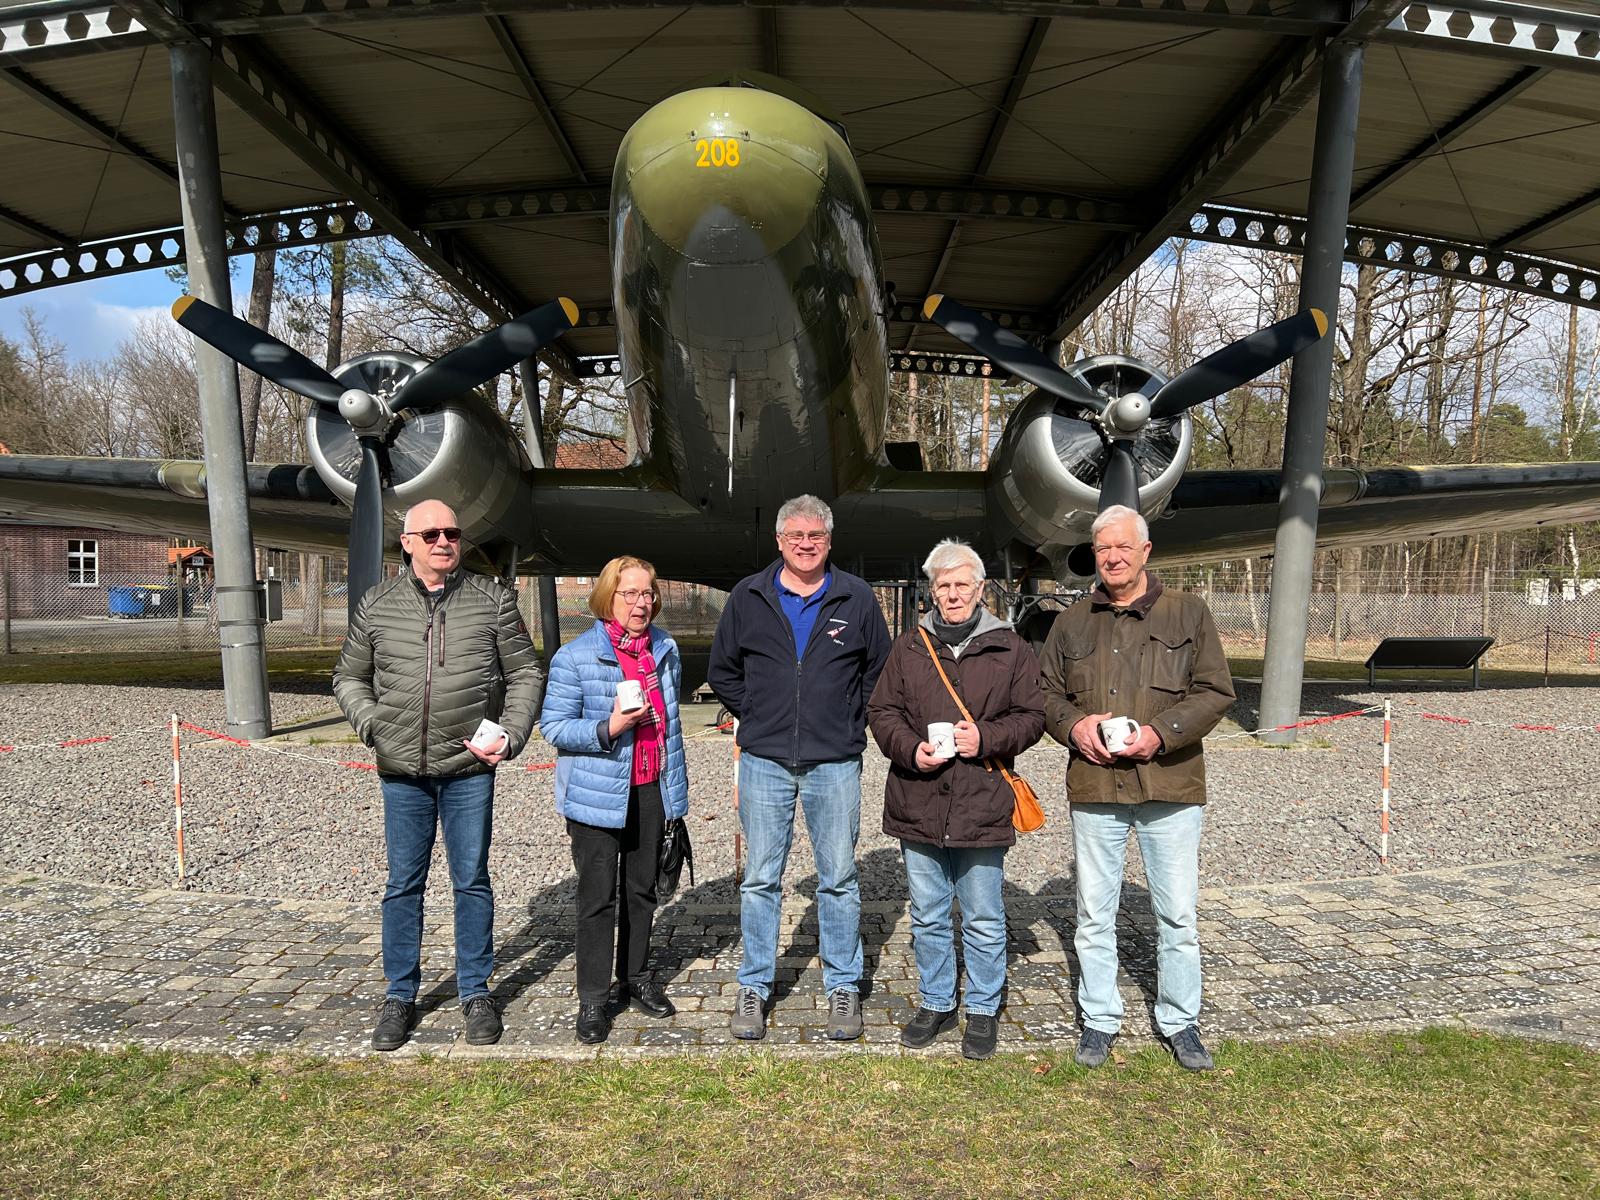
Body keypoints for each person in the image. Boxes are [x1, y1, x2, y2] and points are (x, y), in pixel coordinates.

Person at [334, 499, 544, 1052]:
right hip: (401, 770)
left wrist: (512, 733)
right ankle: (400, 995)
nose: (443, 541)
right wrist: (373, 726)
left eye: (451, 532)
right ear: (407, 543)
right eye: (430, 534)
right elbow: (349, 678)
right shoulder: (376, 604)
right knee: (403, 884)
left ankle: (476, 992)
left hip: (469, 768)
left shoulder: (492, 600)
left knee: (470, 881)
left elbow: (524, 671)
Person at [1037, 504, 1234, 1071]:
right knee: (1094, 913)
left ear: (1146, 551)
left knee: (1176, 915)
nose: (1113, 557)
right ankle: (1099, 1018)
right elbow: (1046, 695)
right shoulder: (1072, 621)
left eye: (1123, 547)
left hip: (1169, 785)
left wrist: (1160, 734)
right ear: (1092, 556)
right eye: (1103, 549)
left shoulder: (1188, 613)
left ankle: (1180, 1020)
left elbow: (1215, 690)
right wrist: (1075, 727)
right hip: (1096, 785)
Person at [708, 494, 891, 1041]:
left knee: (838, 879)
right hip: (764, 761)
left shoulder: (855, 598)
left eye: (815, 536)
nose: (805, 545)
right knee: (761, 879)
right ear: (780, 541)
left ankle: (842, 986)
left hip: (834, 763)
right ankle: (755, 985)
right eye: (796, 536)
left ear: (828, 541)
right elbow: (724, 670)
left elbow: (877, 672)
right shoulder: (749, 595)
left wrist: (843, 719)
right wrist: (760, 715)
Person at [866, 540, 1044, 1059]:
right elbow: (882, 711)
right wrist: (909, 750)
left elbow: (1032, 717)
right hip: (918, 796)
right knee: (927, 912)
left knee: (984, 914)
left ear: (980, 589)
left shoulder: (1010, 647)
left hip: (981, 799)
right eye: (943, 585)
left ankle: (984, 1008)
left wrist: (985, 739)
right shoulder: (909, 647)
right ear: (932, 591)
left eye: (961, 584)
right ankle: (938, 1001)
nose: (952, 594)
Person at [539, 556, 689, 1044]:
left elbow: (673, 728)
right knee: (597, 898)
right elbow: (554, 727)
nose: (641, 604)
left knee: (642, 891)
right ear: (608, 597)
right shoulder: (575, 656)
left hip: (650, 787)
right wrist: (609, 728)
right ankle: (593, 998)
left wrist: (676, 795)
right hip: (598, 794)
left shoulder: (665, 648)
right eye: (631, 594)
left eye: (648, 594)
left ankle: (637, 977)